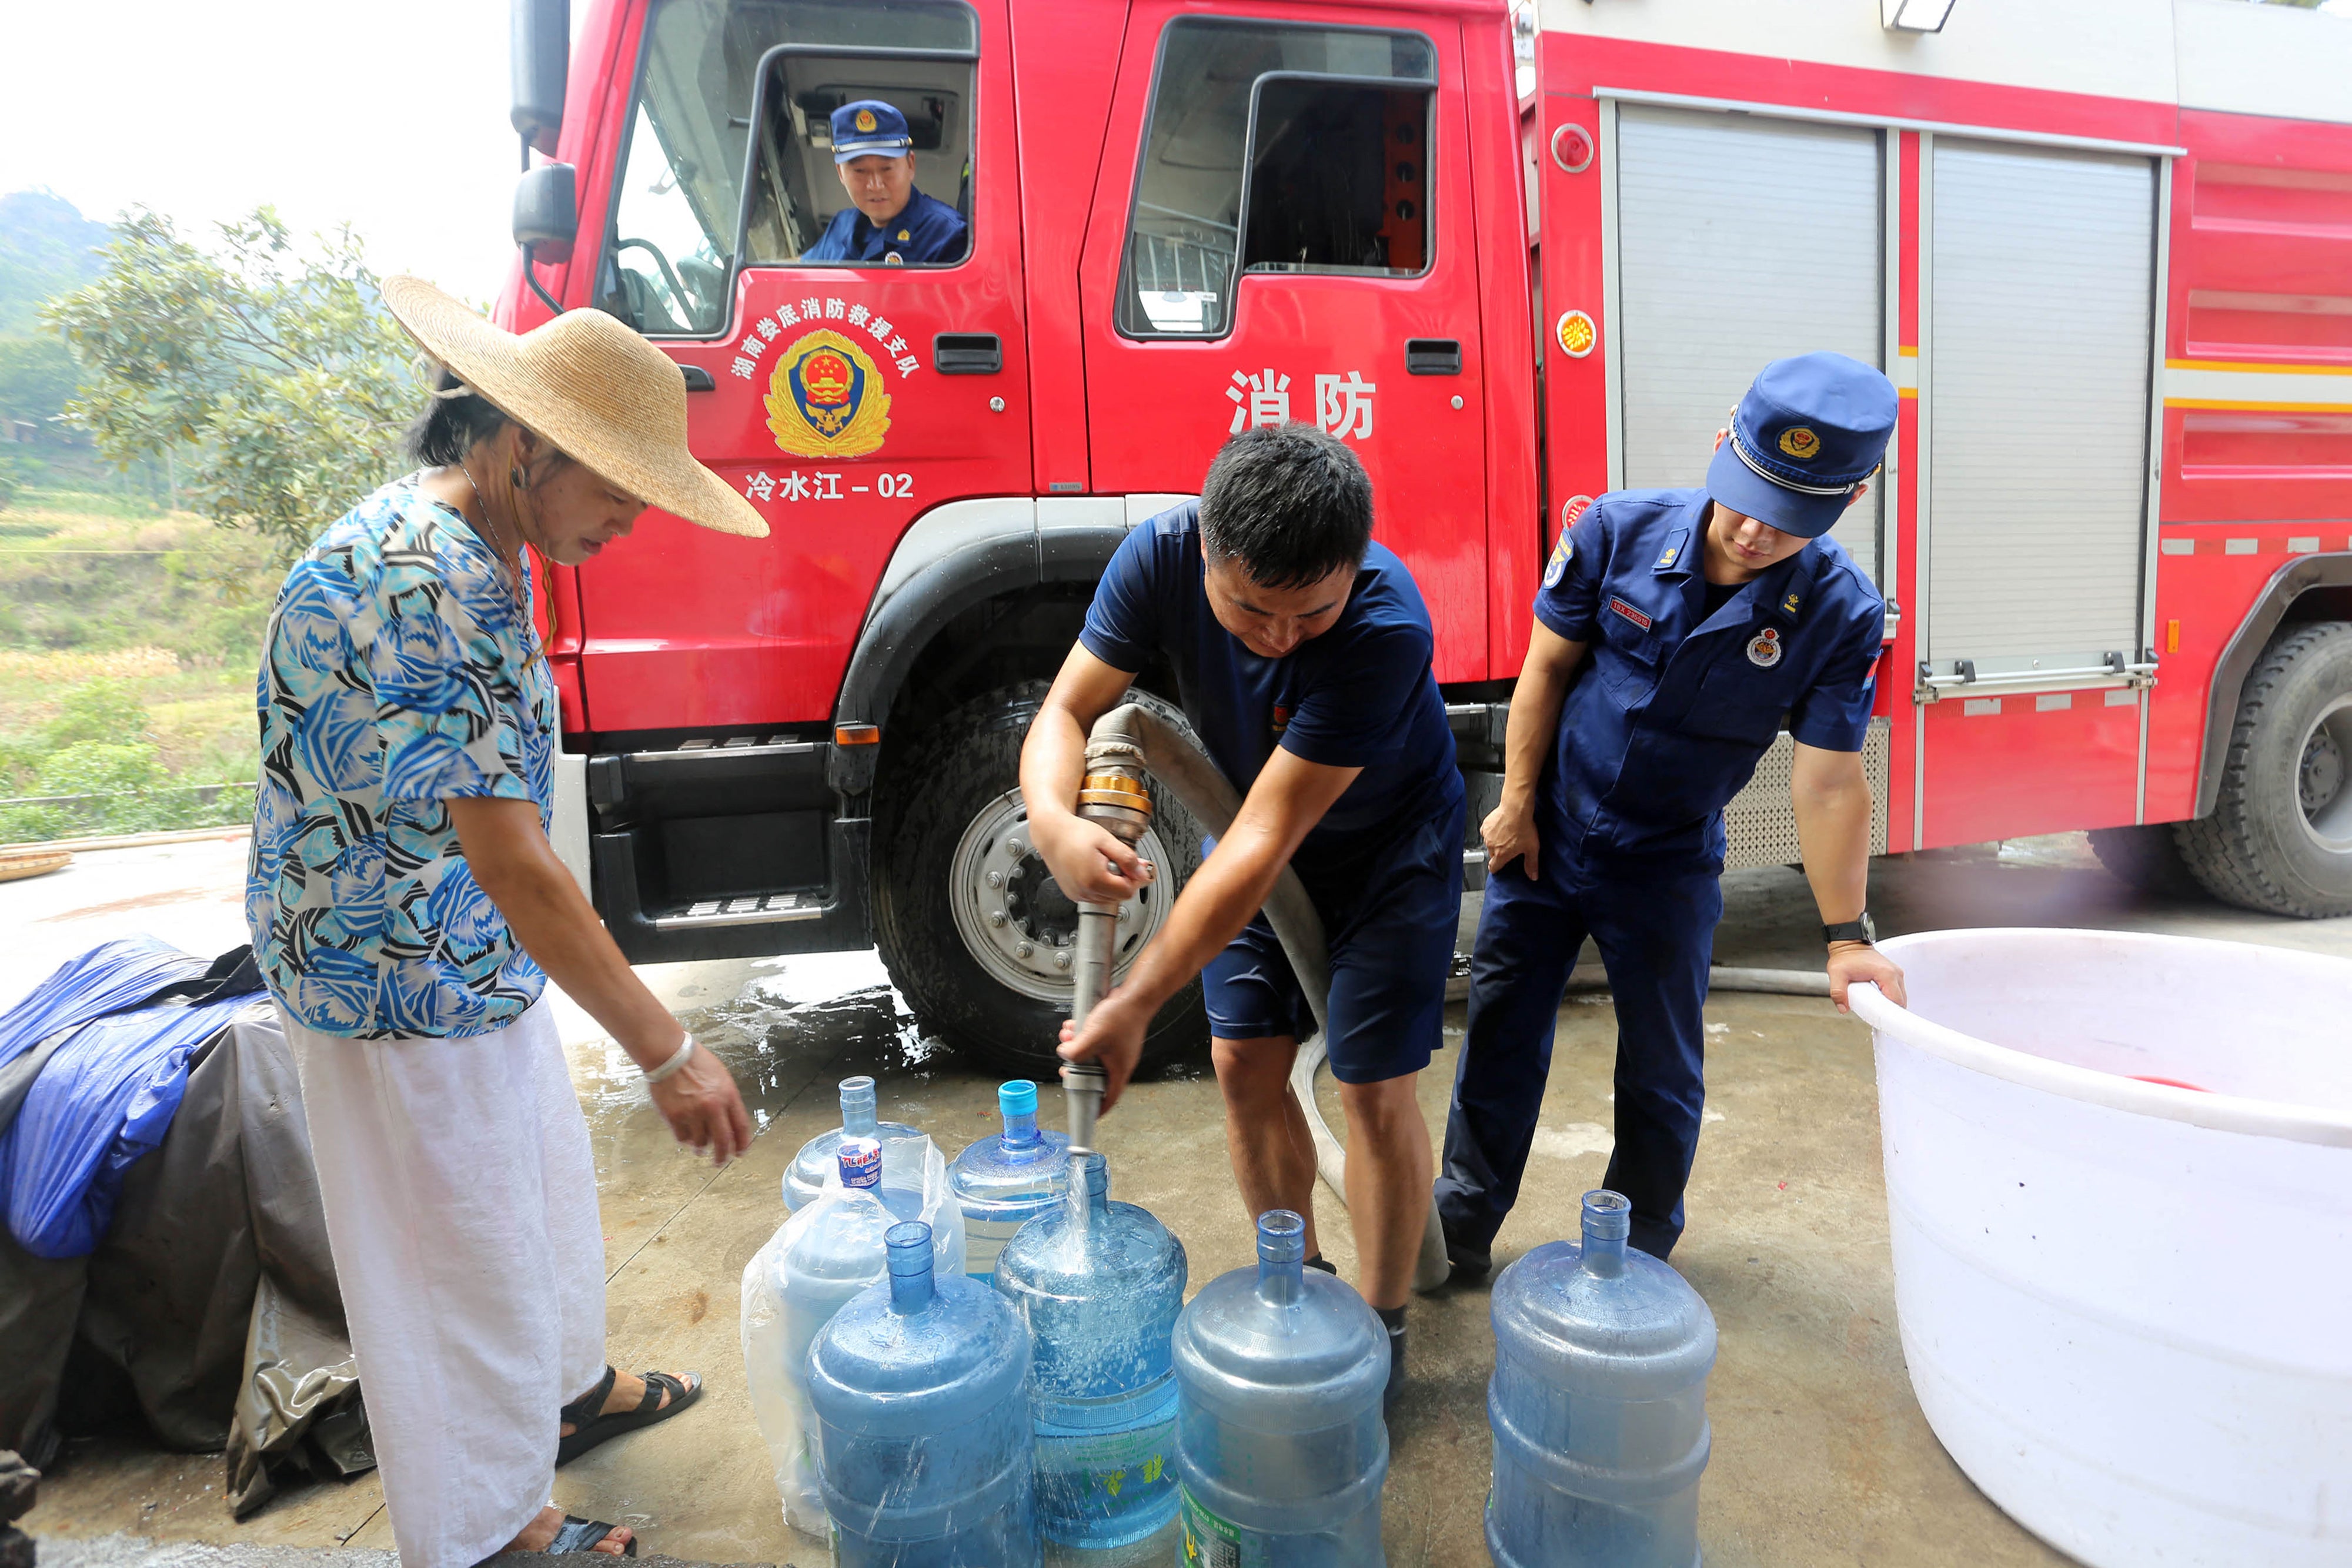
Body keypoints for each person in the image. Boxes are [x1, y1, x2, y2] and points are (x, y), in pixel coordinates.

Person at [245, 278, 770, 1567]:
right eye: (617, 488)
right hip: (393, 970)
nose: (630, 521)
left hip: (456, 953)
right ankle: (487, 1528)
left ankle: (566, 1389)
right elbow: (515, 863)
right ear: (522, 441)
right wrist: (667, 1046)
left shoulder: (471, 541)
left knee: (528, 1189)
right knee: (452, 1258)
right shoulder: (438, 582)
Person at [1436, 351, 1911, 1272]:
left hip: (1668, 862)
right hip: (1549, 839)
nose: (1752, 530)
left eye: (1789, 517)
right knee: (1499, 1041)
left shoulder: (1840, 614)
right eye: (1748, 495)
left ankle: (1636, 1250)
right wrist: (1517, 802)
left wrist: (1846, 933)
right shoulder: (1615, 530)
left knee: (1661, 1071)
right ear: (1722, 445)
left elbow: (1826, 782)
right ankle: (1458, 1233)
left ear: (1850, 500)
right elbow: (1545, 671)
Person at [1023, 424, 1465, 1404]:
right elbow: (1066, 710)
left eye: (1309, 613)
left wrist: (1136, 1001)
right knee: (1242, 1064)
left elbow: (1268, 839)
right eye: (1249, 609)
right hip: (1252, 828)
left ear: (1354, 570)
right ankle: (1296, 1283)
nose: (1277, 636)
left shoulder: (1387, 628)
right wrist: (1053, 825)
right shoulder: (1158, 557)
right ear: (1208, 554)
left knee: (1370, 1088)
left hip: (1390, 853)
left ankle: (1383, 1333)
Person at [801, 99, 968, 266]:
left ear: (910, 165)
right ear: (840, 173)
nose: (875, 185)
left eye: (886, 169)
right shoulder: (840, 225)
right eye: (860, 171)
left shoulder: (947, 236)